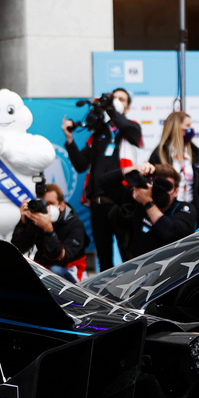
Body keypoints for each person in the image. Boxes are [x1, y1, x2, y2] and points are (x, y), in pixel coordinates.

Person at [63, 88, 142, 269]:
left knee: (127, 253)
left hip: (121, 201)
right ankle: (105, 296)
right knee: (104, 257)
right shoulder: (98, 134)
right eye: (114, 98)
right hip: (98, 203)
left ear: (127, 107)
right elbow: (81, 164)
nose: (116, 101)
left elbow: (128, 128)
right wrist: (69, 139)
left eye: (121, 99)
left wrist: (110, 106)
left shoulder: (131, 129)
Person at [96, 162, 196, 260]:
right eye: (158, 186)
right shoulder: (138, 200)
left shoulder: (184, 208)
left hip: (172, 269)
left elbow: (171, 234)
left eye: (167, 187)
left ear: (176, 191)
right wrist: (134, 169)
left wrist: (148, 203)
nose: (162, 192)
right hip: (140, 270)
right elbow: (103, 183)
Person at [11, 183, 89, 283]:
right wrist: (23, 223)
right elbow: (17, 249)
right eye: (44, 204)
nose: (47, 208)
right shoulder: (37, 221)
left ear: (62, 206)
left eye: (51, 203)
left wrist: (49, 231)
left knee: (55, 271)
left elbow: (62, 260)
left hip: (70, 273)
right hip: (43, 270)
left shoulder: (75, 225)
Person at [148, 111, 199, 227]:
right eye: (187, 126)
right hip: (166, 212)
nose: (191, 129)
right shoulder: (159, 155)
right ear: (176, 128)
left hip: (192, 213)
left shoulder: (196, 154)